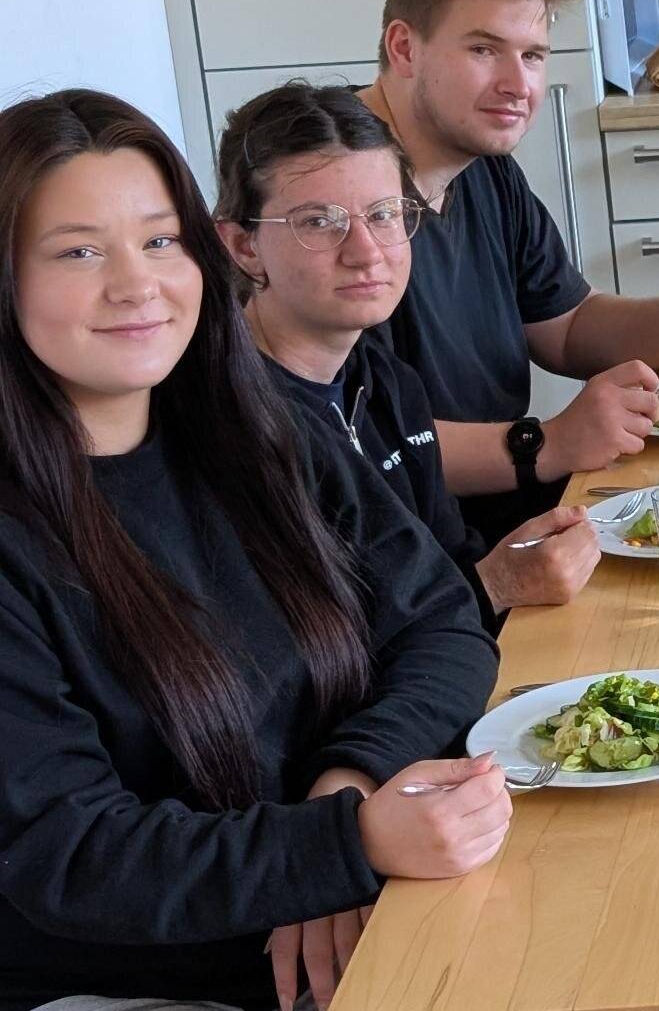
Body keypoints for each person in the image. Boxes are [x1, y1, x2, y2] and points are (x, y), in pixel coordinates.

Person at [0, 89, 614, 1011]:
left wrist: (345, 789)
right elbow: (63, 852)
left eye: (157, 240)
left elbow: (439, 620)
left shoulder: (247, 433)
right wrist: (340, 847)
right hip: (68, 997)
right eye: (79, 251)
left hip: (281, 928)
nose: (137, 283)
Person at [361, 0, 659, 545]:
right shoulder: (331, 191)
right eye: (483, 49)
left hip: (507, 519)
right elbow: (349, 436)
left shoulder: (483, 167)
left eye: (531, 56)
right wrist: (546, 444)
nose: (516, 85)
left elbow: (566, 328)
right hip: (403, 559)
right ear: (404, 47)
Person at [215, 81, 599, 629]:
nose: (366, 252)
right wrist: (496, 583)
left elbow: (444, 564)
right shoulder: (232, 425)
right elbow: (323, 662)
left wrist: (507, 564)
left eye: (384, 213)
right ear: (244, 247)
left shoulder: (385, 383)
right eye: (319, 222)